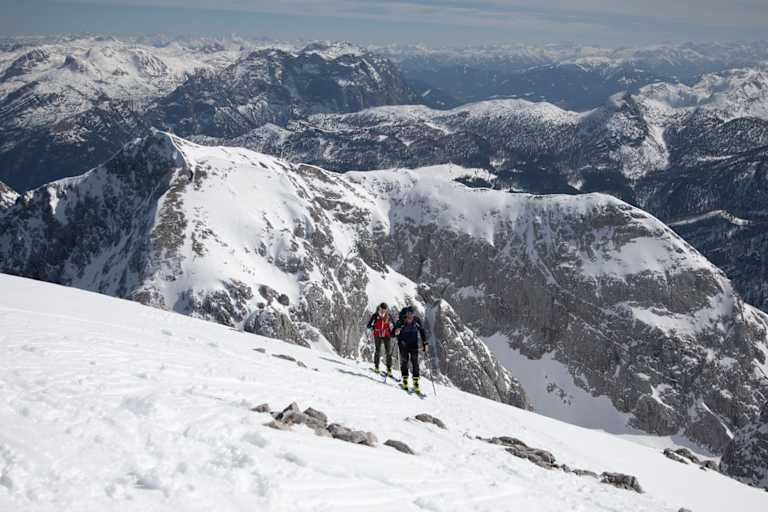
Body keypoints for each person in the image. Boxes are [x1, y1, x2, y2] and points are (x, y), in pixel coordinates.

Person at [394, 306, 428, 393]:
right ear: (406, 314)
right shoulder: (401, 322)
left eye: (412, 314)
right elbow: (392, 334)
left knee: (415, 362)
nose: (410, 316)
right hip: (403, 344)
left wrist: (425, 343)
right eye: (408, 314)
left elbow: (422, 331)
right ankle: (405, 379)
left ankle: (415, 382)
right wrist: (396, 331)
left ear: (414, 315)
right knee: (404, 361)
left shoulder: (417, 321)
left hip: (413, 345)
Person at [366, 302, 394, 377]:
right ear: (379, 308)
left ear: (386, 310)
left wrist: (394, 332)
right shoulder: (375, 316)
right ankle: (376, 367)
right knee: (377, 351)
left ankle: (389, 369)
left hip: (386, 335)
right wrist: (373, 327)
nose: (383, 311)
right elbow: (368, 325)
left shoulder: (389, 316)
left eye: (384, 310)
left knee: (388, 352)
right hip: (377, 334)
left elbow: (394, 324)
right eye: (382, 309)